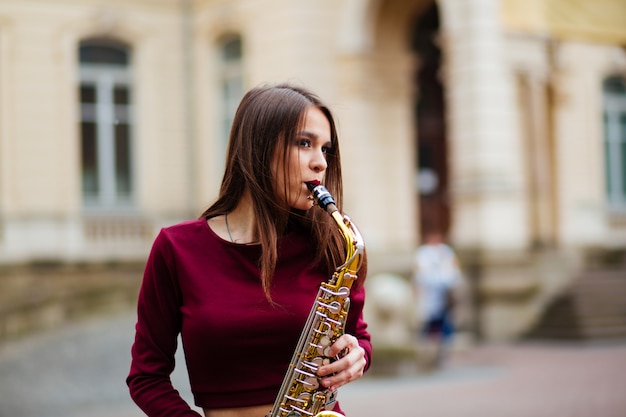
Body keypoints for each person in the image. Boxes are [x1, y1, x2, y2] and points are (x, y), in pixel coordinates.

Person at [126, 83, 372, 417]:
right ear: (259, 147)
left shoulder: (333, 245)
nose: (320, 163)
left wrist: (359, 356)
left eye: (325, 149)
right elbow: (146, 377)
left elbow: (358, 337)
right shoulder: (176, 248)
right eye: (304, 143)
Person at [412, 231, 461, 366]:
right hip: (427, 296)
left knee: (444, 326)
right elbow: (420, 275)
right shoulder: (423, 254)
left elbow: (453, 274)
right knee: (428, 326)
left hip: (444, 297)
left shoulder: (446, 252)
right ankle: (427, 353)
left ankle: (442, 352)